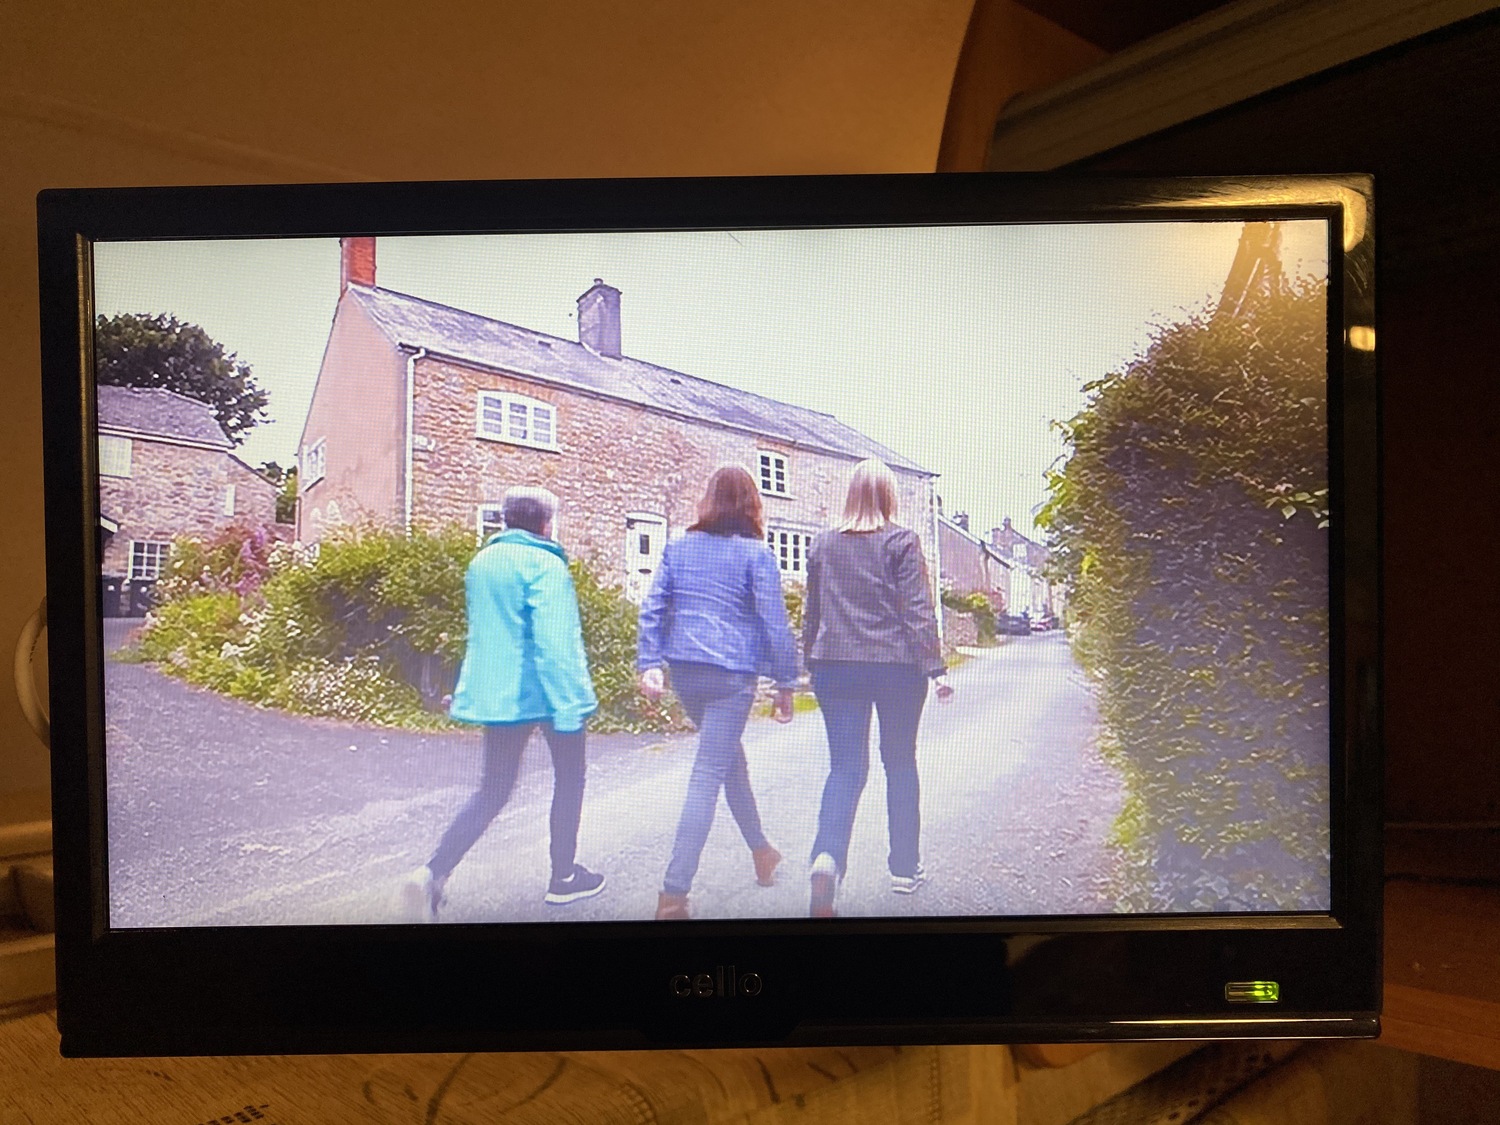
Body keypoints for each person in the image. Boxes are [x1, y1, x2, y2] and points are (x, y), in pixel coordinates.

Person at [400, 486, 604, 922]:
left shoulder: (482, 563)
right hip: (549, 695)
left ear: (507, 520)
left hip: (502, 698)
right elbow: (555, 642)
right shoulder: (547, 565)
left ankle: (433, 873)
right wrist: (572, 703)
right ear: (546, 524)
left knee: (493, 790)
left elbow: (489, 635)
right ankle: (563, 877)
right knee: (570, 779)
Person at [638, 465, 799, 921]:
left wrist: (650, 662)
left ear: (709, 500)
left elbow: (653, 607)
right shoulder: (756, 554)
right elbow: (774, 622)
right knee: (709, 772)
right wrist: (785, 683)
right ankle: (673, 895)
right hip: (731, 676)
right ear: (752, 505)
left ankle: (762, 851)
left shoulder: (679, 547)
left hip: (686, 671)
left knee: (729, 762)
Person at [802, 458, 953, 918]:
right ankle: (905, 869)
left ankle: (827, 857)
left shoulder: (823, 543)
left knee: (845, 768)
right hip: (896, 668)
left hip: (836, 665)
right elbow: (917, 609)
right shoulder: (902, 541)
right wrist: (935, 668)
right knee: (899, 762)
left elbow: (813, 612)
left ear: (851, 494)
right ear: (889, 496)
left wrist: (809, 662)